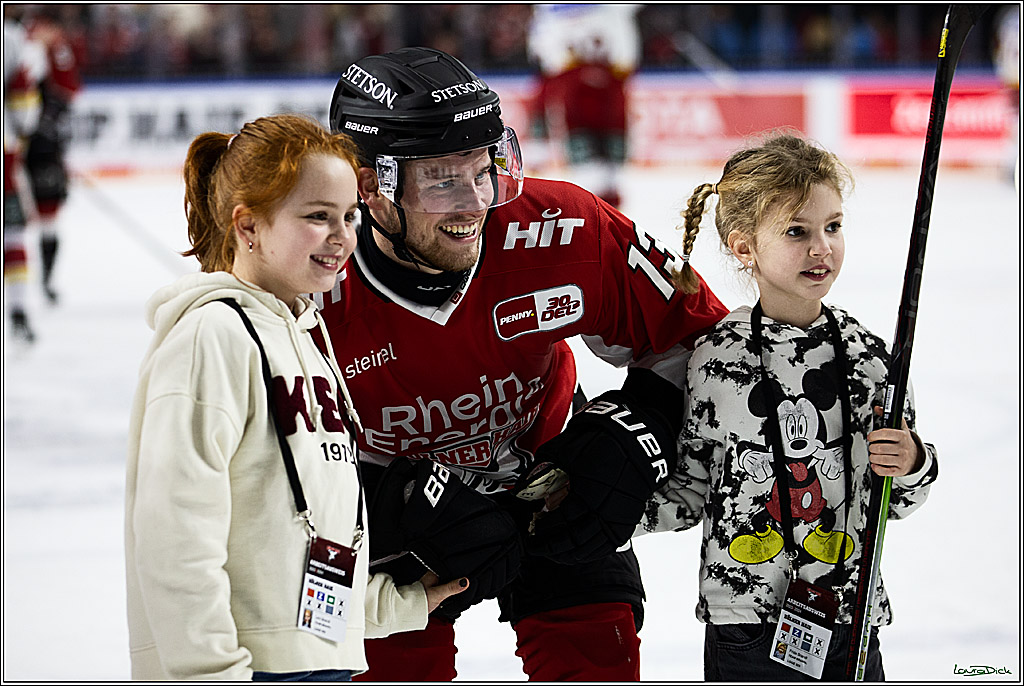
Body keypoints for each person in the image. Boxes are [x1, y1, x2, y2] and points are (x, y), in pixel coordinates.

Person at [318, 47, 729, 681]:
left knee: (595, 654)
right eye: (441, 180)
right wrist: (385, 501)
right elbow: (265, 470)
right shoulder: (308, 287)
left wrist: (638, 428)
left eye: (486, 170)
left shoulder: (562, 226)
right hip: (393, 530)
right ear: (369, 185)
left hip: (550, 482)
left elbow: (705, 342)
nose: (475, 203)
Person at [124, 114, 468, 681]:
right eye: (317, 217)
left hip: (318, 658)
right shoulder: (212, 337)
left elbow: (302, 526)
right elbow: (173, 529)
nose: (342, 237)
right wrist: (210, 670)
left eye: (350, 217)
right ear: (249, 226)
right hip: (242, 668)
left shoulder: (307, 340)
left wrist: (387, 606)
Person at [639, 133, 939, 681]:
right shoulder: (717, 357)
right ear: (743, 247)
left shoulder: (871, 357)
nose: (820, 247)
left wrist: (913, 462)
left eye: (832, 226)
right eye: (797, 232)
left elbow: (897, 499)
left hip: (848, 615)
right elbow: (690, 487)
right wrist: (604, 514)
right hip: (746, 621)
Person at [526, 4, 641, 209]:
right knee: (604, 170)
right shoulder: (613, 15)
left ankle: (603, 214)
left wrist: (539, 143)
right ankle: (605, 214)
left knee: (600, 171)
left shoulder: (550, 19)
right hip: (601, 98)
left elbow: (546, 72)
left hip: (585, 100)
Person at [23, 6, 82, 304]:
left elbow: (70, 90)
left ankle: (45, 281)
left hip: (44, 146)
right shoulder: (23, 44)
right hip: (23, 143)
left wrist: (50, 121)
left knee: (48, 213)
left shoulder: (55, 48)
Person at [3, 9, 42, 343]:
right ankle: (17, 310)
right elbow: (24, 109)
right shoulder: (12, 39)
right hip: (4, 155)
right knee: (13, 235)